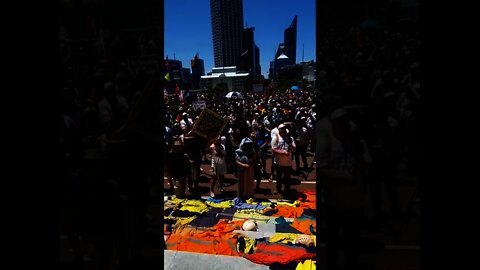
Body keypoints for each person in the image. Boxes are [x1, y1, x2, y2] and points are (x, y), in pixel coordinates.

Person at [317, 107, 371, 270]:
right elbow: (321, 167)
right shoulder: (327, 141)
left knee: (352, 240)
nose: (345, 125)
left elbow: (369, 169)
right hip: (333, 200)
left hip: (355, 201)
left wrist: (358, 155)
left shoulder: (359, 144)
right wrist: (341, 177)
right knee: (333, 240)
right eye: (341, 122)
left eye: (347, 122)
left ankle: (350, 264)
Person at [271, 123, 296, 195]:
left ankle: (287, 189)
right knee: (278, 177)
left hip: (288, 162)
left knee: (287, 177)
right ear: (279, 130)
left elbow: (294, 149)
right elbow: (274, 149)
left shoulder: (290, 138)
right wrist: (283, 153)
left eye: (285, 129)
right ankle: (277, 188)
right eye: (282, 129)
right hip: (279, 162)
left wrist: (290, 144)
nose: (284, 130)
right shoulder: (276, 138)